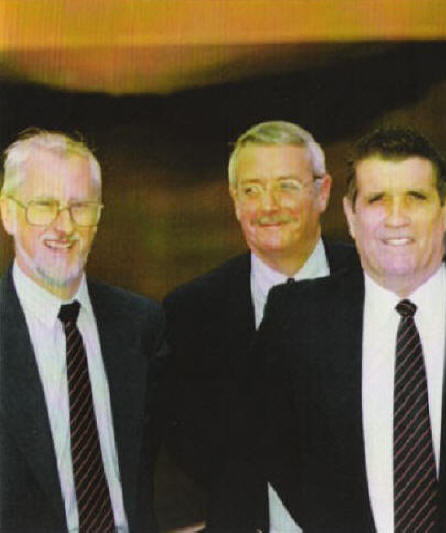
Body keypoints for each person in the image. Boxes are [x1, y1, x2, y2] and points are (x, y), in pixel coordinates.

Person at [243, 128, 446, 531]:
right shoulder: (296, 320)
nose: (396, 217)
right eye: (377, 199)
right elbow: (272, 446)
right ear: (351, 216)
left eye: (415, 197)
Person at [161, 121, 358, 530]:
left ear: (322, 193)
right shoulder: (190, 313)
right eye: (252, 190)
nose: (268, 206)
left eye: (286, 186)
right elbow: (187, 450)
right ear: (235, 201)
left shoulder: (376, 283)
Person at [0, 130, 165, 531]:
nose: (64, 225)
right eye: (44, 205)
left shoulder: (141, 323)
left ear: (99, 216)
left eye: (80, 207)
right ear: (8, 213)